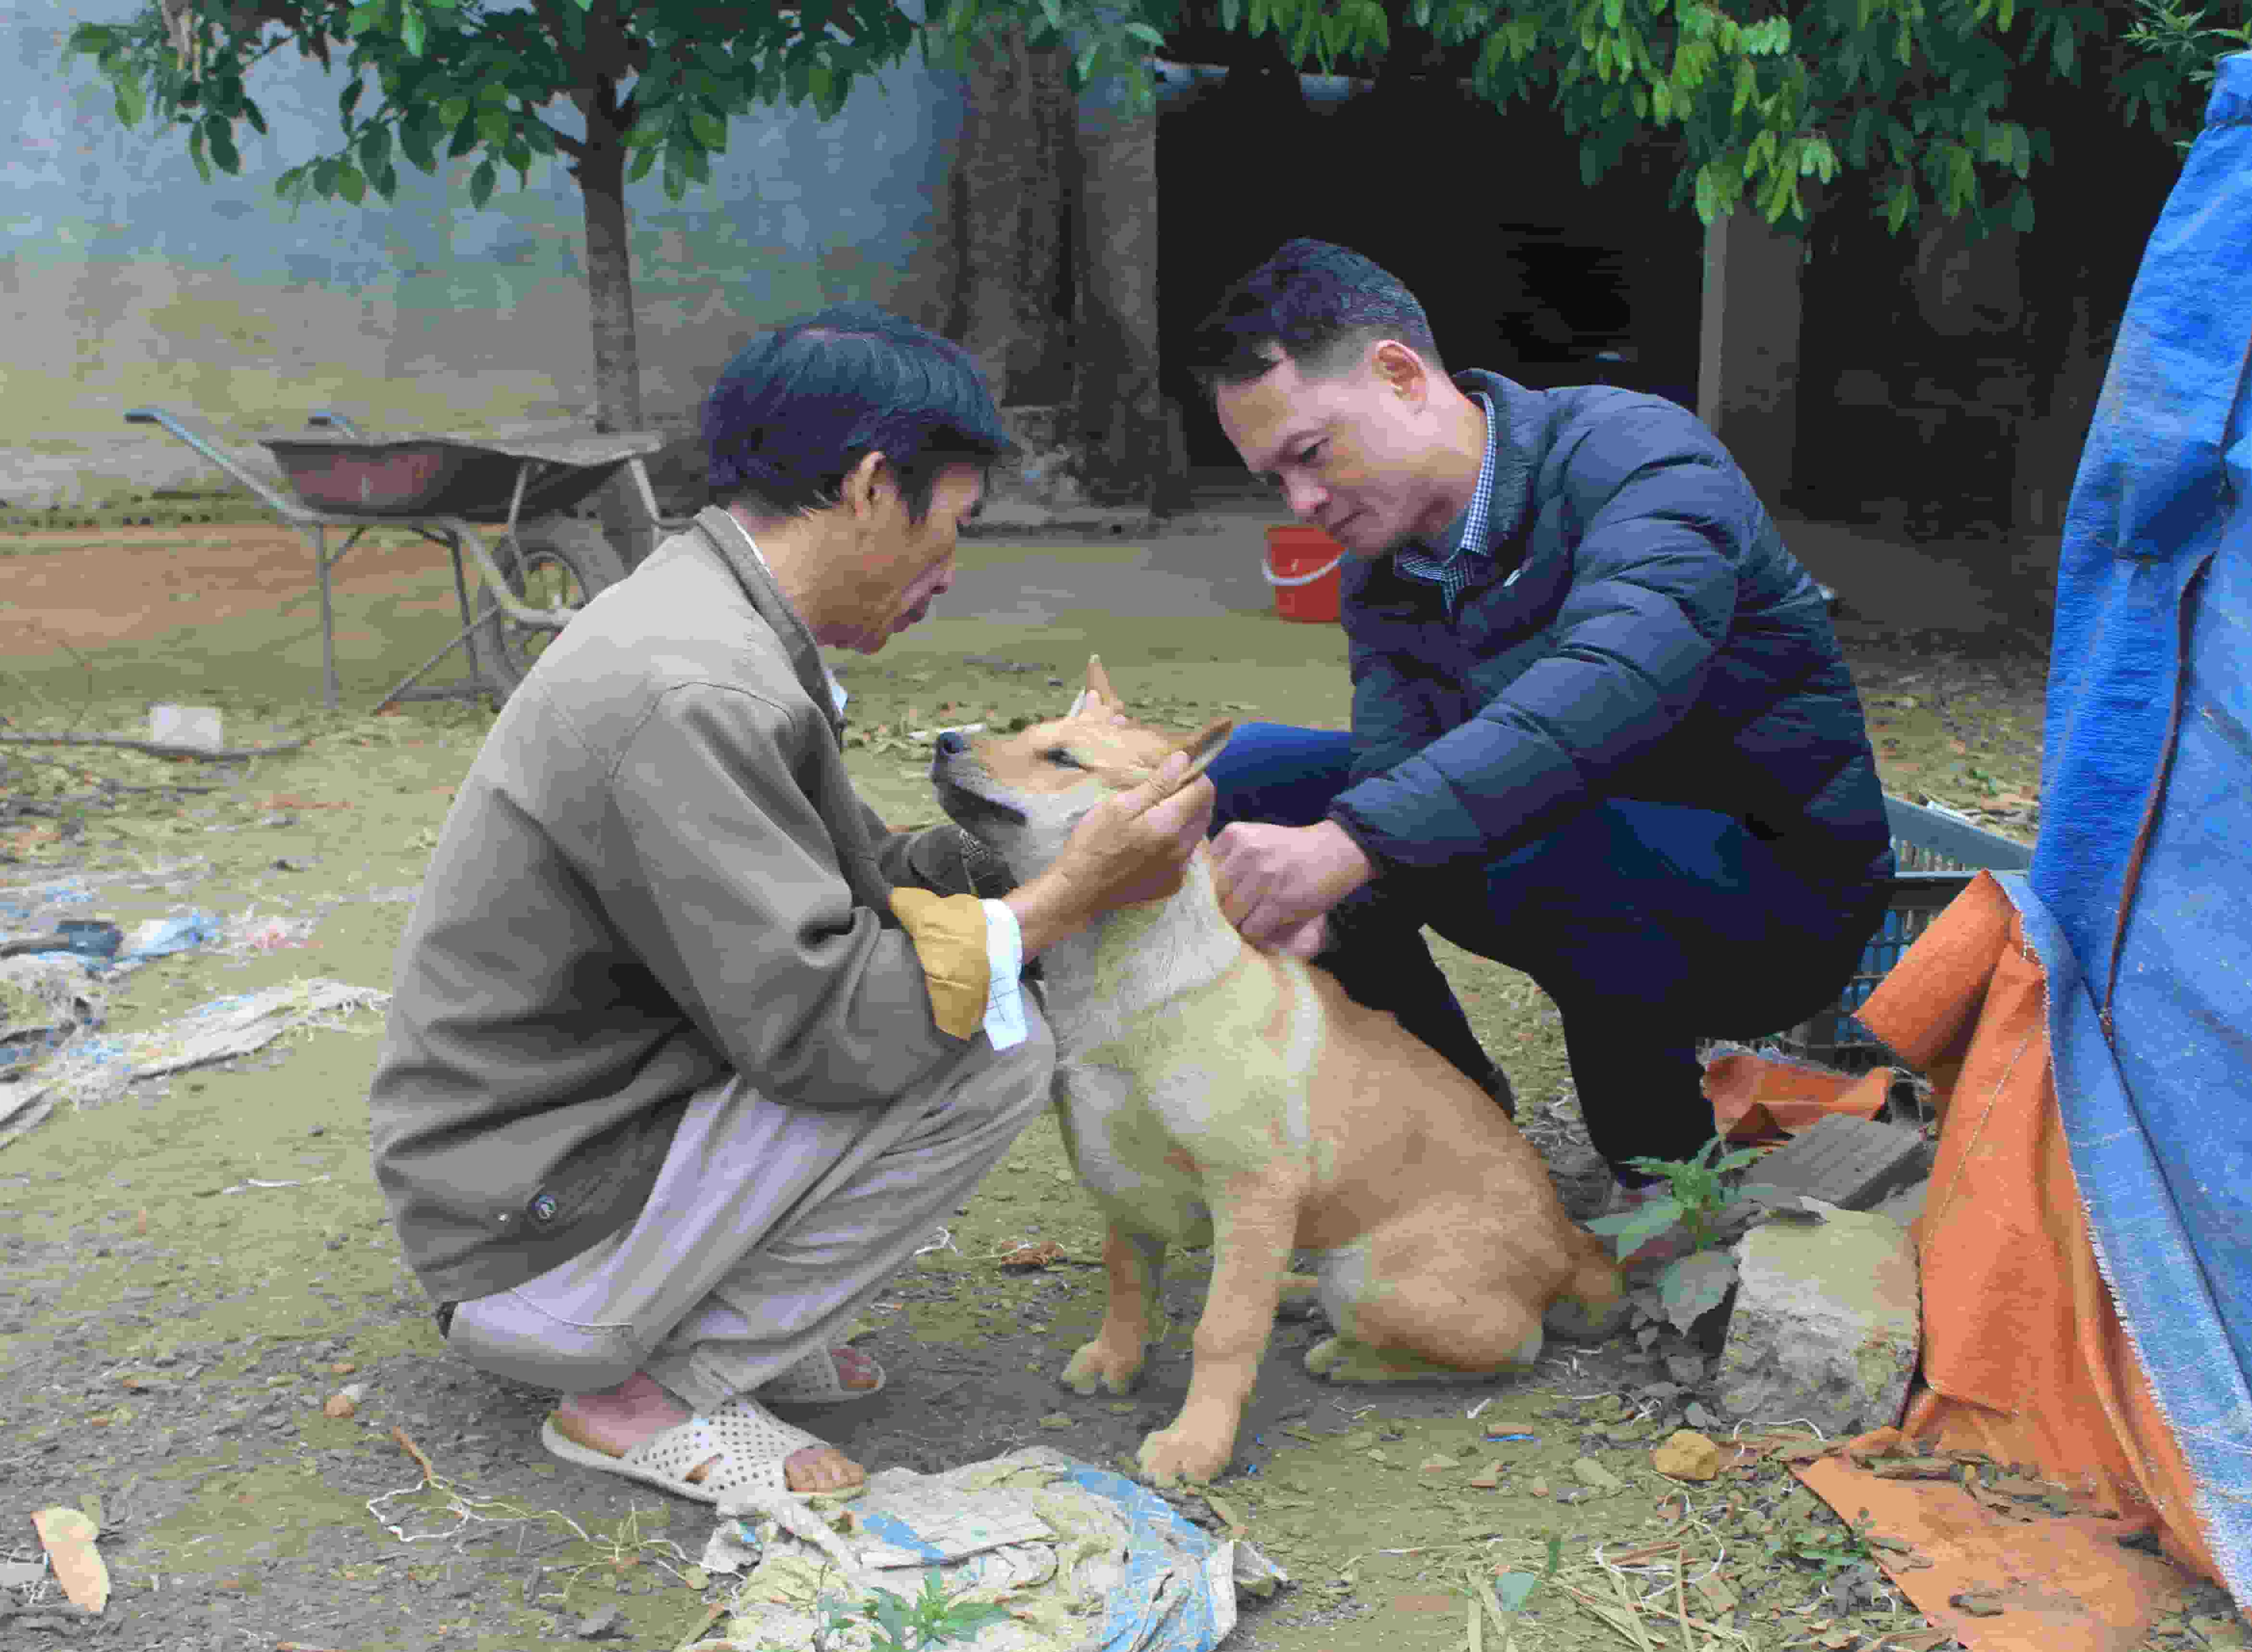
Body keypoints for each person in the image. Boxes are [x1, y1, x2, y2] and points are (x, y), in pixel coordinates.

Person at [368, 306, 1215, 1513]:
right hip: (523, 1228)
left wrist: (1006, 858)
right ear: (875, 487)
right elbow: (827, 1024)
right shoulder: (693, 686)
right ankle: (642, 1390)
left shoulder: (706, 615)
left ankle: (699, 1323)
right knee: (993, 1045)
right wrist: (1067, 899)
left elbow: (838, 887)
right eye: (952, 525)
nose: (949, 571)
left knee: (969, 977)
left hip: (532, 1166)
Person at [1189, 238, 1893, 1206]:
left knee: (1522, 818)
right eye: (1275, 480)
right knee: (1258, 774)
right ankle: (1458, 1135)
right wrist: (1330, 897)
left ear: (1400, 375)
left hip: (1773, 900)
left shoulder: (1639, 456)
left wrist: (1352, 844)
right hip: (1572, 848)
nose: (1303, 501)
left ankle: (1666, 1181)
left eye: (1309, 454)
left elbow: (1616, 680)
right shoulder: (1387, 572)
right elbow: (1393, 768)